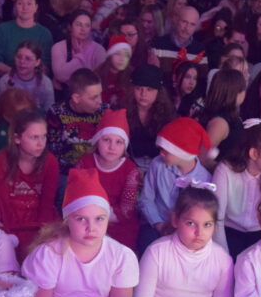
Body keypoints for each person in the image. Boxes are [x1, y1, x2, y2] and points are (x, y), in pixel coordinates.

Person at [22, 168, 139, 297]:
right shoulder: (50, 255)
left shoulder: (120, 256)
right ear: (67, 220)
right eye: (81, 219)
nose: (91, 228)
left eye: (99, 219)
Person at [134, 187, 234, 297]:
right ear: (175, 220)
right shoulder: (156, 252)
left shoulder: (223, 260)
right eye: (190, 223)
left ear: (215, 226)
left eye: (207, 225)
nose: (199, 232)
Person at [213, 119, 261, 257]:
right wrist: (224, 256)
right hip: (228, 233)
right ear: (254, 153)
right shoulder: (225, 170)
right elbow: (217, 218)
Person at [0, 109, 59, 259]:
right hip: (10, 221)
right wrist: (9, 231)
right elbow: (2, 201)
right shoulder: (2, 159)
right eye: (34, 137)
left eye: (44, 136)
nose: (41, 143)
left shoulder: (50, 162)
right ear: (17, 138)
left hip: (39, 222)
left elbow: (47, 202)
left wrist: (42, 234)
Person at [138, 118, 214, 247]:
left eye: (166, 150)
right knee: (147, 243)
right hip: (156, 222)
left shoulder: (204, 179)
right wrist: (158, 224)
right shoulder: (157, 165)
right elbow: (146, 198)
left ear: (182, 153)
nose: (161, 153)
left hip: (187, 229)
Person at [77, 109, 142, 250]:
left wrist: (100, 218)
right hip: (87, 219)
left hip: (118, 225)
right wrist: (93, 218)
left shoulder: (130, 170)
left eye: (119, 142)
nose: (112, 147)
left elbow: (126, 210)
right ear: (97, 141)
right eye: (106, 140)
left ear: (125, 146)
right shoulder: (85, 163)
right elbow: (77, 197)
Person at [0, 0, 54, 79]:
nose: (25, 7)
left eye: (29, 4)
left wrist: (28, 79)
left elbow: (45, 66)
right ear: (15, 6)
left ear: (36, 7)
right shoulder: (1, 30)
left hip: (35, 83)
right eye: (20, 3)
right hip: (6, 80)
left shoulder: (45, 34)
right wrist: (16, 74)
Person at [126, 64, 177, 171]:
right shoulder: (123, 111)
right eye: (139, 88)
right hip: (129, 165)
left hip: (161, 167)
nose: (143, 94)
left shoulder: (168, 114)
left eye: (149, 89)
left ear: (159, 91)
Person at [199, 68, 247, 167]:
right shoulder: (220, 123)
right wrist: (226, 170)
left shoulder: (230, 115)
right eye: (243, 89)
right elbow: (202, 158)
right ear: (234, 92)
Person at [51, 10, 107, 91]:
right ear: (70, 27)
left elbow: (99, 79)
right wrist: (79, 56)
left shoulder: (99, 50)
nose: (83, 29)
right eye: (78, 25)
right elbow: (60, 75)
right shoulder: (58, 47)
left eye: (87, 25)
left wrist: (67, 77)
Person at [0, 41, 55, 111]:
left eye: (28, 58)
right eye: (19, 57)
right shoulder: (5, 81)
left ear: (37, 62)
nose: (22, 61)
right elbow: (3, 110)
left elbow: (49, 111)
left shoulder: (46, 83)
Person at [0, 87, 36, 155]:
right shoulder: (0, 136)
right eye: (22, 114)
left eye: (29, 112)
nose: (27, 117)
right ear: (7, 116)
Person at [97, 35, 135, 108]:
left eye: (126, 55)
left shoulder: (132, 76)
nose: (122, 59)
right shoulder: (97, 75)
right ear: (110, 55)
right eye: (118, 54)